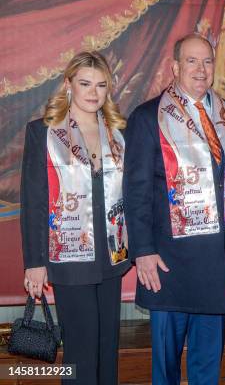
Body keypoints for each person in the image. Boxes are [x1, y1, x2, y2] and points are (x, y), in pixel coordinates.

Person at [123, 34, 225, 384]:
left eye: (207, 61)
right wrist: (142, 251)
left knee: (207, 365)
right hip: (168, 261)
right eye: (192, 61)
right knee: (167, 366)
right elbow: (136, 190)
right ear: (175, 67)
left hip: (215, 260)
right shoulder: (148, 117)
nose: (201, 69)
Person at [20, 51, 130, 384]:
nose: (93, 93)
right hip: (69, 258)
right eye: (85, 83)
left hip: (111, 257)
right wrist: (35, 263)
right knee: (81, 350)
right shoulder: (43, 132)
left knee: (107, 346)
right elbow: (34, 201)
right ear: (69, 85)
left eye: (101, 85)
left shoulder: (117, 133)